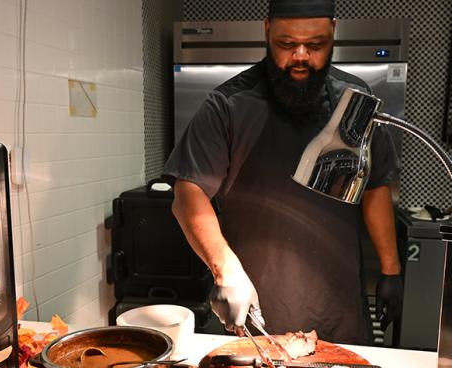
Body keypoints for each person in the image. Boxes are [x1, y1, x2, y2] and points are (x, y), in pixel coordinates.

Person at [163, 0, 403, 344]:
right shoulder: (229, 105)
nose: (301, 56)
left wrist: (390, 269)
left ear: (333, 32)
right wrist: (224, 268)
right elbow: (188, 194)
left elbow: (376, 185)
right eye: (287, 44)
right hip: (256, 311)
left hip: (340, 309)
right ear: (266, 30)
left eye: (316, 45)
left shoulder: (356, 101)